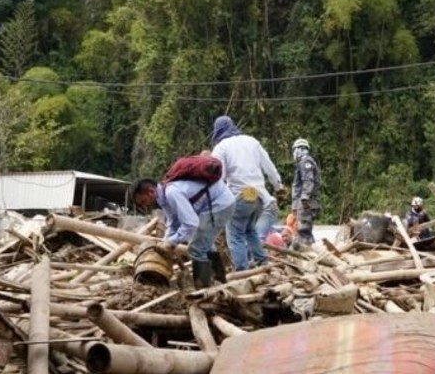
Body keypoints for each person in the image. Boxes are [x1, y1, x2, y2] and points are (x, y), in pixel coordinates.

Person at [131, 177, 235, 288]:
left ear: (151, 192)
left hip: (220, 203)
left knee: (196, 248)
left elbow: (190, 223)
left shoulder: (172, 193)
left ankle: (203, 290)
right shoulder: (164, 198)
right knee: (205, 244)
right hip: (215, 204)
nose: (144, 205)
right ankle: (220, 281)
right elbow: (173, 222)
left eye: (143, 201)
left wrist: (171, 242)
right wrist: (166, 241)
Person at [210, 116, 282, 271]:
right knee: (250, 230)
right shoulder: (252, 142)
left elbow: (217, 177)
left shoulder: (221, 147)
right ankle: (262, 261)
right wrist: (278, 186)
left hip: (240, 194)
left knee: (235, 233)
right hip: (258, 195)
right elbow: (269, 167)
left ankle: (242, 269)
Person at [290, 138, 321, 249]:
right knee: (304, 230)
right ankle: (309, 251)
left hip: (306, 203)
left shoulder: (305, 162)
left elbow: (308, 180)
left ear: (300, 149)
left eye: (295, 150)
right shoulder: (303, 163)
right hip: (304, 203)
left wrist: (304, 197)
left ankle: (307, 253)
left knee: (304, 230)